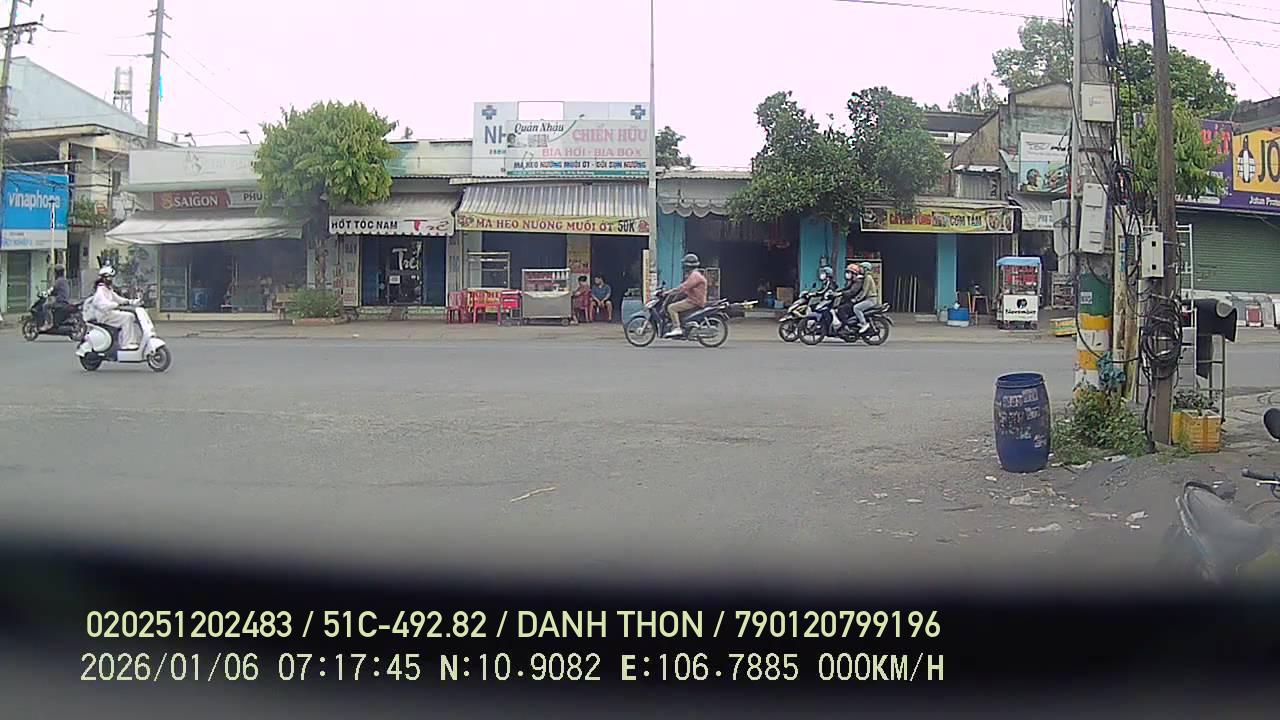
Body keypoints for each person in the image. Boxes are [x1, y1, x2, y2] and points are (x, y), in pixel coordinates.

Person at [84, 266, 141, 350]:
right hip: (104, 316)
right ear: (104, 278)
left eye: (111, 277)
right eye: (109, 277)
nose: (111, 279)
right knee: (127, 317)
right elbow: (103, 305)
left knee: (131, 316)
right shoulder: (100, 290)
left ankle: (124, 340)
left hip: (109, 314)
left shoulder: (108, 289)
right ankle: (127, 343)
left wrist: (130, 302)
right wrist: (115, 305)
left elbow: (118, 298)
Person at [665, 253, 707, 338]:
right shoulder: (693, 274)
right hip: (692, 299)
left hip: (694, 301)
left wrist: (669, 292)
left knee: (671, 308)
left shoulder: (695, 275)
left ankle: (677, 328)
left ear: (688, 265)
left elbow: (684, 287)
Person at [830, 263, 865, 333]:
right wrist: (836, 292)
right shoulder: (852, 281)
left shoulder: (858, 281)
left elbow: (852, 291)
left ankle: (845, 326)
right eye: (847, 272)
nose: (847, 274)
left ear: (854, 273)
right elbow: (846, 289)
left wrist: (841, 293)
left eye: (849, 272)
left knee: (841, 309)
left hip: (855, 301)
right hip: (850, 300)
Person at [850, 261, 879, 334]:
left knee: (856, 308)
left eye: (861, 268)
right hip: (869, 299)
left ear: (865, 269)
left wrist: (856, 299)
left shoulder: (868, 278)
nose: (860, 269)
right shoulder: (866, 277)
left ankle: (864, 324)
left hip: (871, 300)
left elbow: (864, 291)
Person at [46, 264, 71, 330]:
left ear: (57, 273)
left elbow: (53, 290)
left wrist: (48, 294)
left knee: (45, 307)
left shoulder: (58, 281)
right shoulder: (65, 280)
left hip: (60, 302)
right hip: (65, 301)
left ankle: (49, 323)